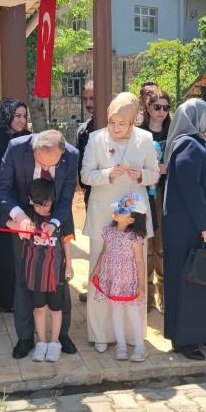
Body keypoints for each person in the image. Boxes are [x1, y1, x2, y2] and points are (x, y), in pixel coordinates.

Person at [81, 92, 160, 351]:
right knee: (100, 271)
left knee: (133, 274)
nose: (116, 128)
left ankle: (132, 335)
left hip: (134, 216)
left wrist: (142, 175)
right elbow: (85, 175)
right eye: (112, 122)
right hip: (104, 214)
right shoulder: (95, 139)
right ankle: (101, 334)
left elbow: (155, 174)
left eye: (121, 123)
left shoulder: (146, 139)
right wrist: (107, 174)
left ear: (132, 121)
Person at [0, 130, 79, 359]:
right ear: (33, 149)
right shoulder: (15, 148)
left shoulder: (72, 155)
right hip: (24, 218)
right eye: (40, 162)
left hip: (57, 218)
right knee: (25, 277)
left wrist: (53, 223)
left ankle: (61, 335)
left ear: (62, 155)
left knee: (59, 278)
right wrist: (20, 217)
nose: (45, 167)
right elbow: (2, 188)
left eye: (50, 164)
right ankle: (25, 337)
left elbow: (66, 199)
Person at [161, 99, 206, 360]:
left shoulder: (194, 143)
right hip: (190, 228)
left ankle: (200, 333)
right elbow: (192, 190)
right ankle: (184, 340)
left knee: (200, 281)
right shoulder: (188, 144)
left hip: (196, 228)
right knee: (187, 283)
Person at [8, 178, 74, 362]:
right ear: (31, 201)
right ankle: (42, 343)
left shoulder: (60, 217)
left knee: (56, 310)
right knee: (39, 309)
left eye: (46, 205)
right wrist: (21, 225)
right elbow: (8, 224)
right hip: (35, 275)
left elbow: (67, 241)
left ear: (53, 200)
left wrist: (69, 265)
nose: (43, 209)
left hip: (56, 274)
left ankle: (54, 343)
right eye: (38, 206)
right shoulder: (28, 215)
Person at [90, 194, 148, 362]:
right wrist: (97, 268)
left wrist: (141, 285)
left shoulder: (134, 237)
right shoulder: (109, 231)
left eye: (122, 211)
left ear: (131, 220)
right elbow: (104, 251)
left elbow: (139, 260)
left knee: (132, 312)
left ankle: (139, 346)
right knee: (115, 310)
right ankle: (121, 345)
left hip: (128, 280)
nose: (116, 211)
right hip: (112, 279)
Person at [0, 99, 30, 313]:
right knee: (6, 254)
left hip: (27, 201)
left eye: (24, 116)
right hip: (5, 202)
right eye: (17, 116)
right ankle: (8, 300)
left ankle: (26, 296)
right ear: (6, 116)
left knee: (25, 253)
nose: (22, 120)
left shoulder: (30, 139)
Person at [139, 89, 171, 311]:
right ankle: (147, 297)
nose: (161, 112)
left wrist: (166, 169)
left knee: (162, 245)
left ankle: (164, 294)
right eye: (157, 107)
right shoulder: (138, 134)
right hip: (142, 193)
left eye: (166, 107)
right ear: (148, 108)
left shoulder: (174, 133)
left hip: (165, 193)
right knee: (145, 246)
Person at [75, 81, 96, 205]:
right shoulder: (83, 129)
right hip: (90, 190)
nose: (88, 103)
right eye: (85, 99)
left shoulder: (116, 126)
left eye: (92, 98)